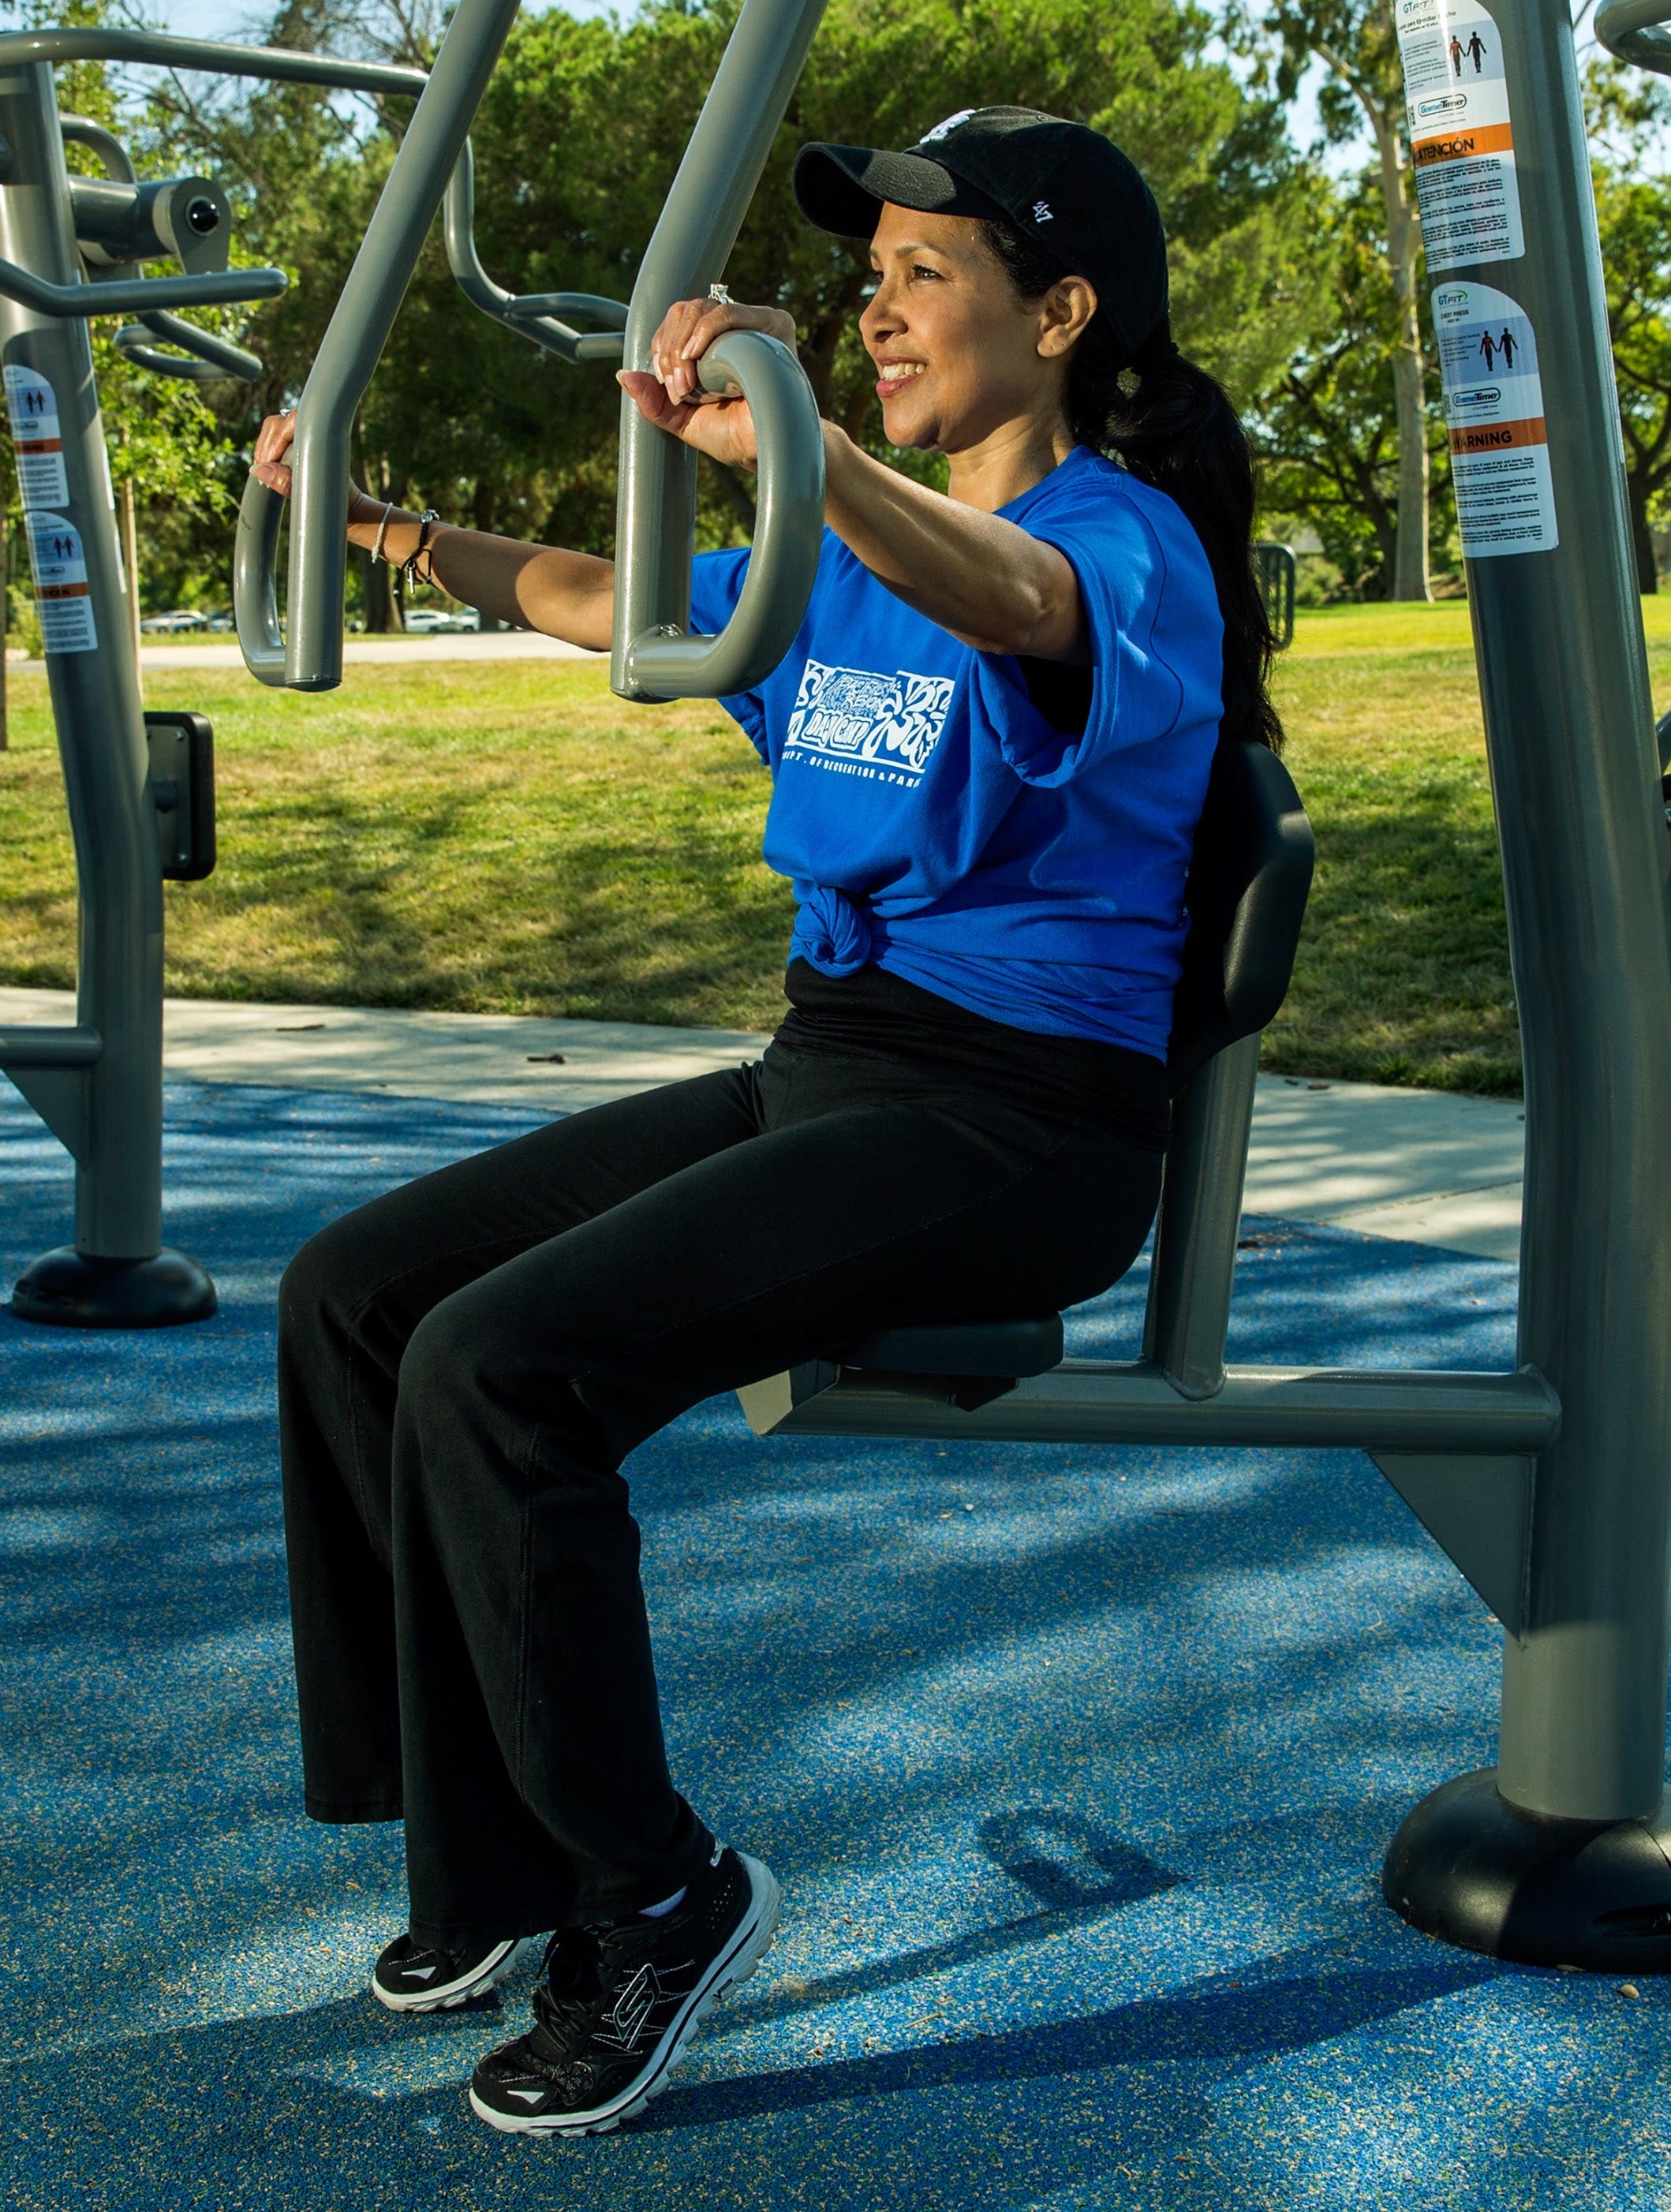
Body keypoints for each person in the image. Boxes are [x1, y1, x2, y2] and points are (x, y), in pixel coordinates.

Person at [262, 107, 1281, 2136]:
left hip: (1026, 1127)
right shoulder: (837, 558)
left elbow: (1013, 600)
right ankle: (496, 1861)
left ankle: (651, 1895)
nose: (877, 308)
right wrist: (372, 529)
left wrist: (816, 448)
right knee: (358, 1293)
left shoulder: (1117, 542)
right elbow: (593, 589)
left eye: (924, 275)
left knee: (500, 1367)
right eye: (869, 277)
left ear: (1059, 311)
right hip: (833, 1062)